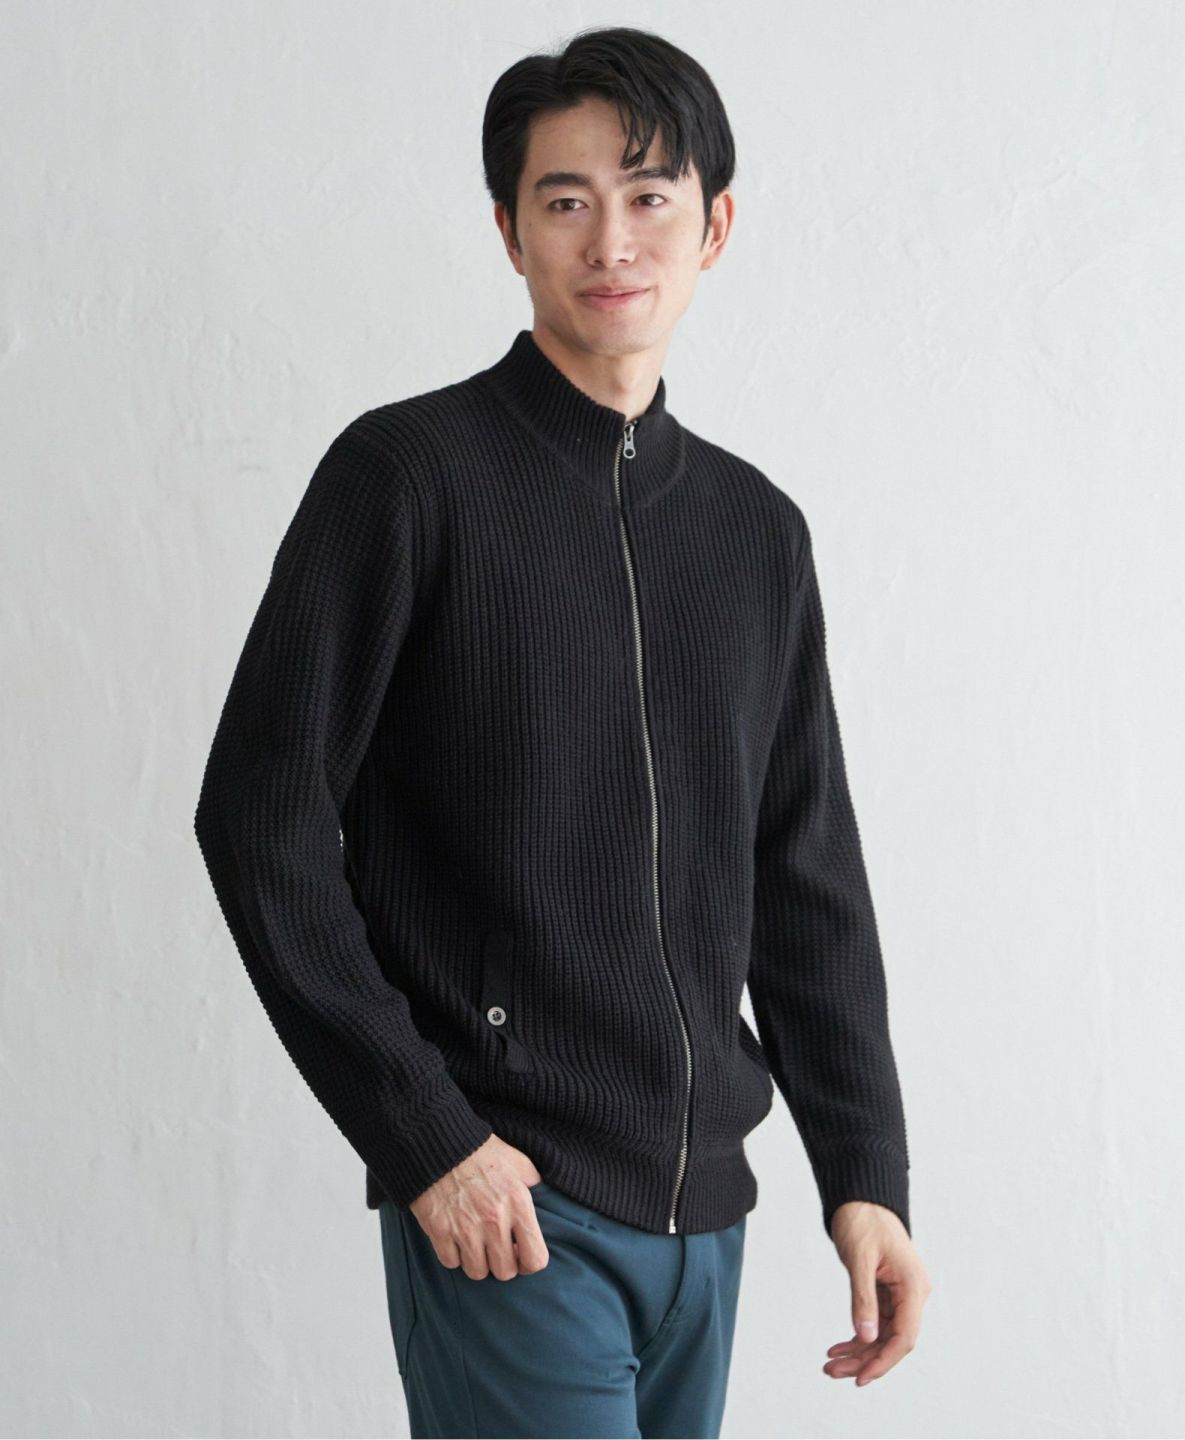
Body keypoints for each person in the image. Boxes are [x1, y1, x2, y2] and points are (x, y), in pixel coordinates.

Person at [194, 23, 931, 1439]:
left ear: (716, 226)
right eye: (566, 200)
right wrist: (428, 1137)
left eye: (650, 195)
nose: (612, 240)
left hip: (706, 1212)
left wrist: (866, 1176)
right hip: (511, 1198)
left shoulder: (755, 534)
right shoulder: (408, 478)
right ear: (509, 231)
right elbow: (260, 818)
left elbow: (805, 876)